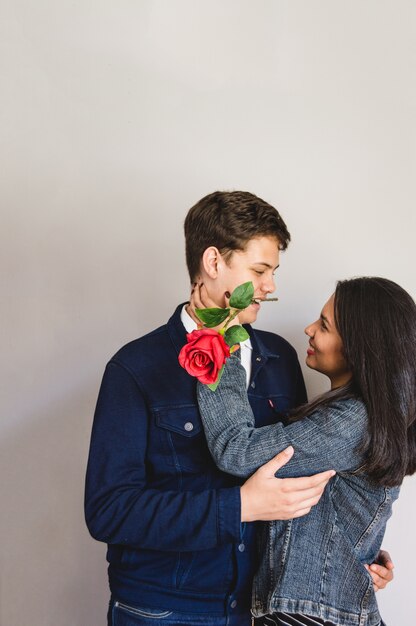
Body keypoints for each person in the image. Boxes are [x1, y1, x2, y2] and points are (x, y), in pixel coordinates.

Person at [85, 191, 392, 626]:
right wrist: (238, 507)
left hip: (261, 609)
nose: (271, 287)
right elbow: (110, 511)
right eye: (260, 270)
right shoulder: (136, 368)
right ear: (213, 263)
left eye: (273, 272)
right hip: (164, 611)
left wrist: (355, 557)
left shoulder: (282, 358)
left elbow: (305, 475)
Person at [195, 276, 416, 626]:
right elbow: (341, 515)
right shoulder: (371, 416)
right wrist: (361, 558)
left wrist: (218, 346)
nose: (309, 329)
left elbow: (236, 450)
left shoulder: (352, 421)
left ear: (361, 347)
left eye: (324, 325)